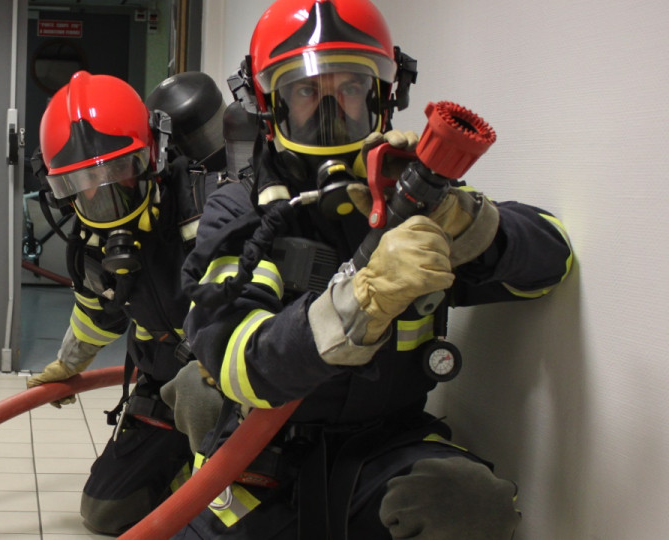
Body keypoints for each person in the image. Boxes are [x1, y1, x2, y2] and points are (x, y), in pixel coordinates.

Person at [176, 0, 573, 539]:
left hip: (384, 447)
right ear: (270, 104)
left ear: (384, 95)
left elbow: (553, 259)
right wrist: (359, 299)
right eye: (306, 90)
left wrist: (462, 221)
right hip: (260, 454)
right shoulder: (240, 210)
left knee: (465, 502)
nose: (331, 108)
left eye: (351, 88)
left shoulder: (417, 198)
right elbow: (236, 360)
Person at [27, 70, 227, 535]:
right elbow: (98, 312)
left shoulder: (206, 207)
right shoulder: (92, 244)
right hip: (160, 385)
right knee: (106, 512)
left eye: (118, 169)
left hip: (227, 389)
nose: (105, 195)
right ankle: (183, 476)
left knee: (221, 511)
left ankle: (223, 487)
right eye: (84, 182)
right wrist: (67, 363)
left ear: (150, 158)